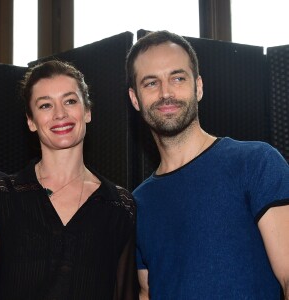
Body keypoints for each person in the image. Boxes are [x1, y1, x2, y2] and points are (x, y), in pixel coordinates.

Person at [126, 30, 289, 300]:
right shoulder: (138, 203)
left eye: (178, 78)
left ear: (198, 87)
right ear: (135, 99)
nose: (166, 93)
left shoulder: (256, 163)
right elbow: (147, 293)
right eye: (151, 83)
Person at [0, 60, 138, 300]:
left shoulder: (120, 206)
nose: (60, 114)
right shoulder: (0, 198)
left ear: (87, 111)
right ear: (31, 120)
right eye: (45, 105)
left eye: (70, 101)